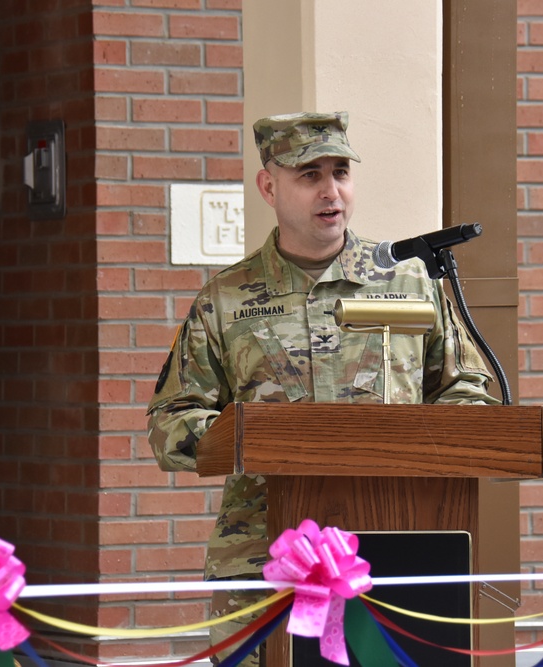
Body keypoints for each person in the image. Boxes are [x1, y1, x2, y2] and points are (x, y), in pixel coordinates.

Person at [146, 111, 499, 667]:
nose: (330, 190)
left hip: (396, 547)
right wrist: (248, 438)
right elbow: (171, 420)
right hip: (262, 558)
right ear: (269, 186)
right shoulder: (226, 298)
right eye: (309, 175)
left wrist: (425, 439)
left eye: (341, 172)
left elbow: (469, 393)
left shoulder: (408, 284)